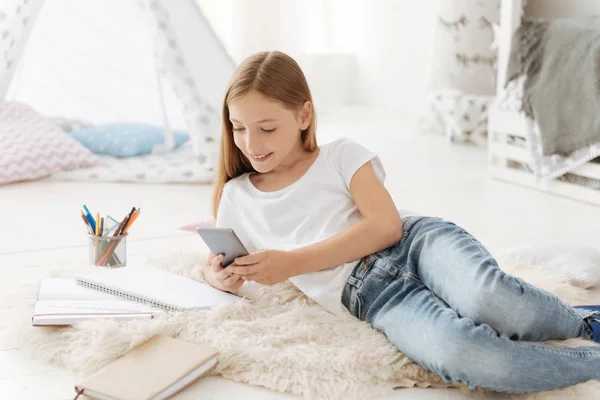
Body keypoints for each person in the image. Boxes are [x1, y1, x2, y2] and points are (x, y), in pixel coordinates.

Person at [201, 50, 600, 393]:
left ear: (304, 115)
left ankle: (583, 323)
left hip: (417, 244)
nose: (251, 143)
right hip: (373, 298)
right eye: (238, 128)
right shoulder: (238, 197)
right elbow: (217, 262)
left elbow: (386, 226)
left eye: (267, 128)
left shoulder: (341, 155)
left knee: (489, 300)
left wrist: (292, 263)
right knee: (461, 353)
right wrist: (217, 276)